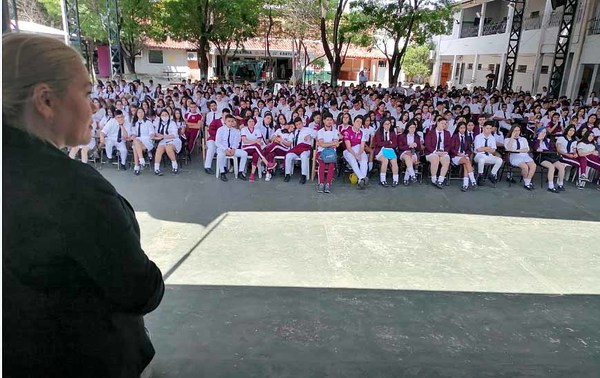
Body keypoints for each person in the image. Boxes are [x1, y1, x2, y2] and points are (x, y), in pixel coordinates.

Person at [3, 33, 164, 378]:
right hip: (82, 356)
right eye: (87, 93)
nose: (94, 107)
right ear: (46, 100)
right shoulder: (72, 189)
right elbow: (140, 290)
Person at [241, 117, 276, 182]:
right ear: (247, 123)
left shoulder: (257, 130)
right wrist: (254, 141)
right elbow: (245, 141)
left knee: (256, 154)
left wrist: (252, 141)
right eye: (250, 122)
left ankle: (252, 175)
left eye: (253, 122)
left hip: (255, 149)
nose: (251, 123)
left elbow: (259, 142)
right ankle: (267, 163)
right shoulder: (244, 129)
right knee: (256, 145)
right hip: (246, 148)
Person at [215, 115, 249, 182]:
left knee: (244, 154)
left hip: (232, 149)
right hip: (222, 148)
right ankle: (222, 172)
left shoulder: (236, 131)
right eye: (229, 121)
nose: (230, 123)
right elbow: (217, 142)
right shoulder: (220, 130)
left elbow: (236, 142)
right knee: (221, 155)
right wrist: (225, 149)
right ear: (225, 121)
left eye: (232, 121)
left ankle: (240, 172)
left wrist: (233, 149)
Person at [533, 128, 567, 192]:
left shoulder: (548, 140)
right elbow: (535, 149)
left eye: (545, 132)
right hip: (541, 157)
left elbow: (552, 150)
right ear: (538, 133)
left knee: (561, 167)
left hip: (550, 157)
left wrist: (544, 150)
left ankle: (560, 184)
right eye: (542, 132)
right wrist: (539, 140)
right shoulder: (535, 140)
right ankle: (551, 186)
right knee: (551, 167)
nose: (543, 134)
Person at [504, 124, 537, 190]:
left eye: (518, 130)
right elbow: (508, 148)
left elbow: (527, 149)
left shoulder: (523, 139)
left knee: (533, 165)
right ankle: (527, 183)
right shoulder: (507, 139)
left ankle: (527, 181)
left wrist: (517, 150)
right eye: (515, 130)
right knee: (525, 167)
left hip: (524, 155)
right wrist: (512, 138)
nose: (517, 132)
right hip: (515, 156)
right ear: (512, 131)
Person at [316, 113, 340, 193]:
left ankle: (328, 184)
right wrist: (331, 143)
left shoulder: (335, 131)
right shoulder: (320, 131)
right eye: (327, 120)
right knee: (322, 164)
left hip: (332, 153)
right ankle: (321, 183)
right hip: (321, 152)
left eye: (330, 120)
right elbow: (322, 144)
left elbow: (336, 145)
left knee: (331, 165)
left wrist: (324, 144)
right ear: (324, 121)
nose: (329, 121)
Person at [424, 118, 452, 189]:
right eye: (442, 123)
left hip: (443, 152)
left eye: (445, 124)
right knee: (435, 158)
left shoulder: (447, 133)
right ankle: (434, 179)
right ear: (438, 123)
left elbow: (449, 145)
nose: (444, 125)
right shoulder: (430, 132)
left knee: (446, 160)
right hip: (431, 152)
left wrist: (444, 152)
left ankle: (440, 180)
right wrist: (435, 152)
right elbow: (427, 145)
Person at [284, 117, 313, 184]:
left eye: (299, 124)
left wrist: (310, 136)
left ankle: (304, 175)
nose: (298, 126)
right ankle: (287, 174)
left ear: (302, 123)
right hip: (297, 149)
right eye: (296, 125)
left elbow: (316, 133)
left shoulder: (308, 129)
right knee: (288, 155)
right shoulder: (295, 131)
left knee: (303, 156)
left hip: (306, 148)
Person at [473, 121, 504, 185]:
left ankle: (492, 174)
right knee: (482, 160)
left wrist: (484, 148)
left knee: (499, 160)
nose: (489, 130)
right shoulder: (478, 137)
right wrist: (488, 148)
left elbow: (493, 150)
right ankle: (480, 176)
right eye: (487, 128)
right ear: (484, 128)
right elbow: (478, 149)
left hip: (489, 155)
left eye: (490, 128)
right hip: (479, 155)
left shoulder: (492, 138)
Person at [343, 115, 369, 189]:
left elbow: (362, 146)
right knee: (353, 160)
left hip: (359, 149)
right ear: (353, 122)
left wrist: (359, 154)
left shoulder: (362, 132)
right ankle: (362, 178)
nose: (359, 123)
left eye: (360, 122)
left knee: (364, 160)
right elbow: (348, 147)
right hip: (349, 150)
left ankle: (361, 181)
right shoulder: (347, 132)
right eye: (357, 121)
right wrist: (355, 155)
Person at [153, 109, 182, 175]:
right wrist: (157, 136)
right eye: (162, 115)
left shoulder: (172, 123)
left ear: (168, 115)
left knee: (168, 147)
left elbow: (174, 135)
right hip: (163, 140)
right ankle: (156, 168)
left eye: (166, 115)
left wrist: (163, 136)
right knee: (159, 149)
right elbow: (156, 133)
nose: (164, 116)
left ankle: (174, 166)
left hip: (174, 140)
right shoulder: (158, 123)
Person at [450, 122, 477, 191]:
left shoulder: (467, 137)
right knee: (466, 161)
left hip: (464, 156)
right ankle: (473, 180)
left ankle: (465, 185)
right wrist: (458, 154)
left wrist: (467, 154)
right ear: (458, 128)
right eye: (461, 128)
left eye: (464, 128)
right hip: (456, 156)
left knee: (466, 164)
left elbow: (468, 149)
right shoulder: (455, 136)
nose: (463, 129)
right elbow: (451, 148)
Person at [372, 118, 399, 187]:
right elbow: (378, 143)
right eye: (386, 124)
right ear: (383, 125)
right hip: (380, 150)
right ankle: (383, 180)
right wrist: (389, 142)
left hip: (389, 150)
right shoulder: (378, 132)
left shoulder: (392, 132)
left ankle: (395, 179)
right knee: (385, 160)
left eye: (389, 124)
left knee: (394, 161)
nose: (387, 125)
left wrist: (386, 144)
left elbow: (395, 144)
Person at [130, 108, 156, 175]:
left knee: (135, 145)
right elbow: (134, 134)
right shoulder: (135, 123)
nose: (140, 114)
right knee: (135, 143)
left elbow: (151, 133)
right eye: (139, 112)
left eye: (142, 112)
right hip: (138, 141)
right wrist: (132, 136)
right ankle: (140, 161)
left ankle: (137, 165)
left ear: (144, 113)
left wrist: (152, 135)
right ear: (137, 114)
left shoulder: (148, 122)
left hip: (147, 141)